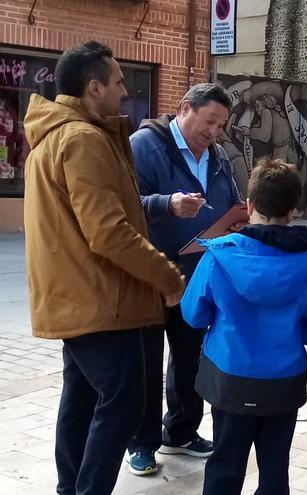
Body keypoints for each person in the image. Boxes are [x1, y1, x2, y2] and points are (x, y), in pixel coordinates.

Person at [22, 41, 185, 495]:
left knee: (81, 399)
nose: (124, 89)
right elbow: (109, 232)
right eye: (117, 82)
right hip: (100, 300)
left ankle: (69, 488)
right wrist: (167, 276)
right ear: (94, 87)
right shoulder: (83, 139)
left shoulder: (55, 137)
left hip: (78, 298)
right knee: (125, 401)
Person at [181, 158, 307, 495]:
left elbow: (192, 315)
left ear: (249, 206)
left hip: (230, 379)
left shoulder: (217, 256)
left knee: (225, 463)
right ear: (294, 210)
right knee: (275, 467)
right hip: (283, 382)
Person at [128, 82, 242, 475]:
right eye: (209, 121)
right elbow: (120, 205)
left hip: (197, 275)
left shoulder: (218, 156)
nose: (213, 132)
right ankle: (141, 442)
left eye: (220, 125)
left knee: (190, 356)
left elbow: (229, 200)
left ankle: (180, 431)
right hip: (149, 273)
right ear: (184, 109)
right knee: (146, 361)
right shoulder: (144, 145)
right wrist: (167, 204)